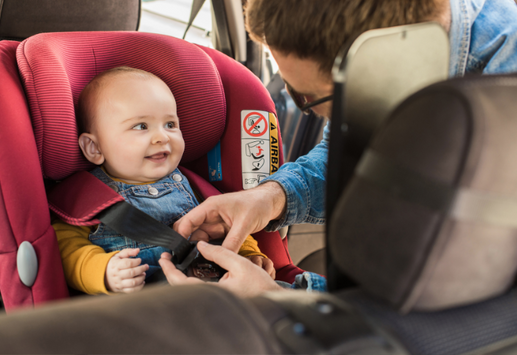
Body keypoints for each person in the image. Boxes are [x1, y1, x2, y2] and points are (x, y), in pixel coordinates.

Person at [160, 0, 517, 297]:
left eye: (310, 97)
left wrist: (277, 299)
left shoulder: (505, 95)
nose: (309, 109)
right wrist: (271, 197)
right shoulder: (386, 57)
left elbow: (467, 311)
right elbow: (347, 149)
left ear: (384, 60)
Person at [52, 66, 274, 295]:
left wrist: (248, 254)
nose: (162, 137)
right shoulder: (87, 199)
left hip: (219, 291)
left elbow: (228, 225)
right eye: (141, 126)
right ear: (94, 147)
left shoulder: (194, 186)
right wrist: (105, 272)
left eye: (170, 124)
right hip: (150, 306)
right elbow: (67, 249)